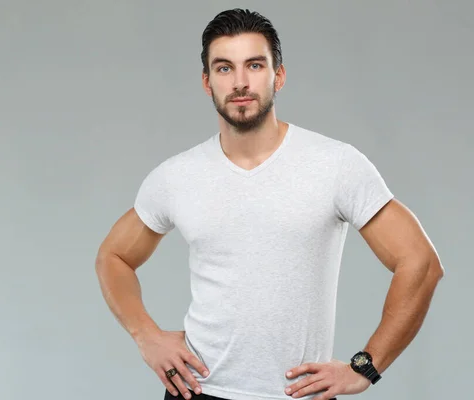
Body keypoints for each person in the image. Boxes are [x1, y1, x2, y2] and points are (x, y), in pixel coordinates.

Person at [95, 8, 444, 400]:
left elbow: (421, 262)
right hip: (198, 391)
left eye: (254, 65)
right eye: (224, 68)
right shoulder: (177, 176)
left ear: (278, 75)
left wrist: (367, 367)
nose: (240, 82)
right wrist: (147, 336)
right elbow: (113, 256)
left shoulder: (336, 165)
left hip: (297, 395)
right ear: (207, 82)